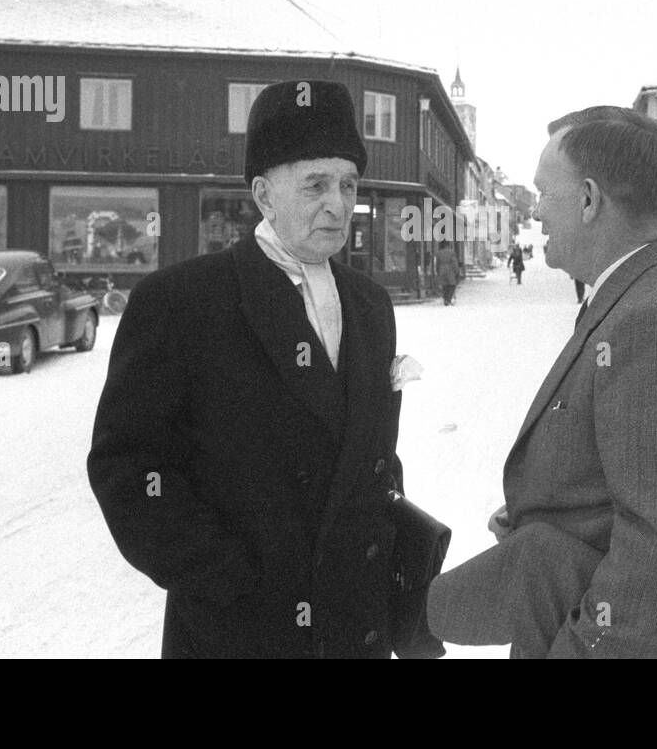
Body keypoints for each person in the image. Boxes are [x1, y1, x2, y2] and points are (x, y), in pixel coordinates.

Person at [88, 79, 415, 659]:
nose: (338, 204)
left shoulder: (370, 305)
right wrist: (221, 576)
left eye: (348, 183)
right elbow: (128, 466)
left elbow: (364, 455)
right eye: (315, 184)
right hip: (239, 634)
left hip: (351, 633)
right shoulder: (183, 303)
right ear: (264, 196)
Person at [426, 106, 657, 658]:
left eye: (542, 193)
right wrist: (547, 511)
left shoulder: (652, 323)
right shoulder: (639, 296)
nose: (534, 212)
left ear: (588, 199)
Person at [435, 241, 459, 306]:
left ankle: (445, 299)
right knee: (452, 285)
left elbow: (437, 264)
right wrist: (456, 271)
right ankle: (448, 299)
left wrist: (438, 271)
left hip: (441, 269)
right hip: (450, 270)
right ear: (448, 245)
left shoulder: (439, 253)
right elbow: (454, 263)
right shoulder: (452, 253)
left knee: (444, 285)